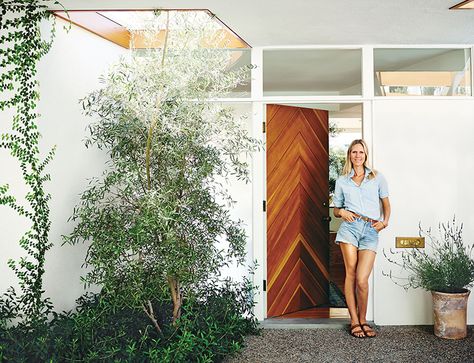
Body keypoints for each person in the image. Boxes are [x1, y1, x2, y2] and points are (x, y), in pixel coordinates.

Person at [333, 139, 391, 338]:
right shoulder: (342, 181)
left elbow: (386, 204)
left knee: (362, 279)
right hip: (350, 228)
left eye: (361, 152)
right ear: (349, 155)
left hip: (371, 230)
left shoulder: (377, 177)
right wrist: (342, 213)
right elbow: (336, 210)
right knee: (350, 273)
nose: (358, 156)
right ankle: (354, 321)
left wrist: (385, 222)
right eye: (354, 152)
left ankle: (364, 318)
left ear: (366, 155)